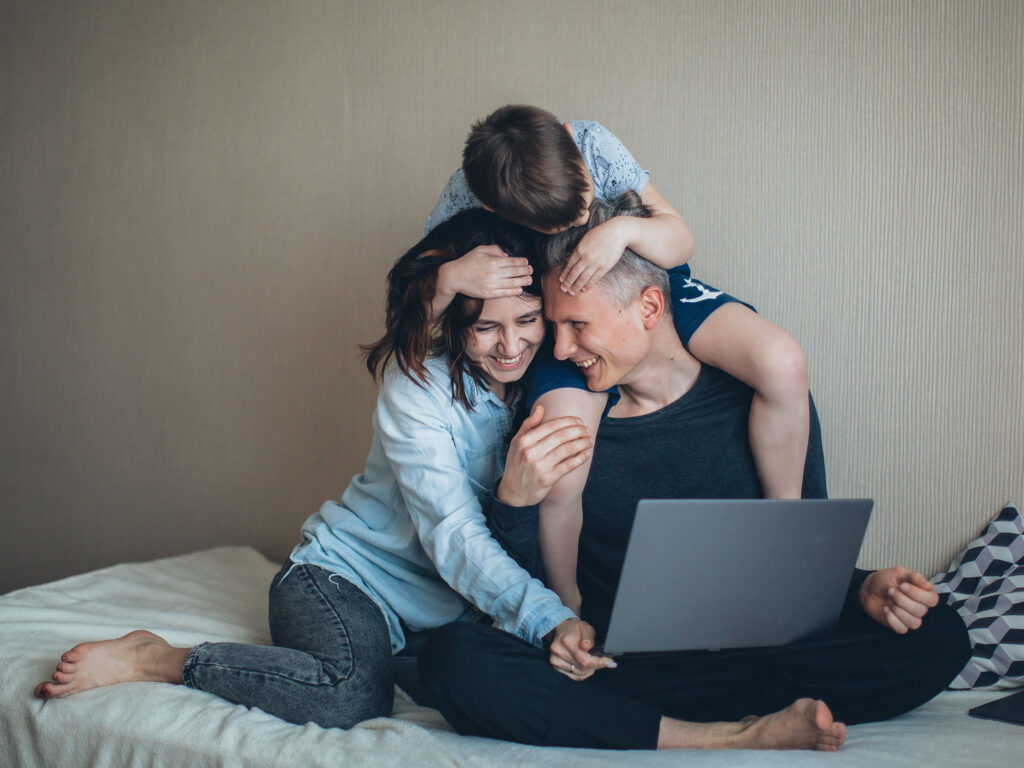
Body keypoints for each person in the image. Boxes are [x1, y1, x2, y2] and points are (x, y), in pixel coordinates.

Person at [417, 194, 972, 752]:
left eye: (579, 326)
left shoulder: (759, 401)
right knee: (453, 661)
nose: (560, 348)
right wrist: (514, 504)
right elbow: (525, 593)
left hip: (757, 652)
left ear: (650, 309)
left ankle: (641, 723)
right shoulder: (560, 419)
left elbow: (790, 562)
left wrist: (860, 591)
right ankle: (734, 734)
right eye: (556, 326)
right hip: (622, 662)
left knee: (940, 634)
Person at [31, 210, 592, 728]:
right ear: (456, 325)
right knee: (350, 694)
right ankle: (159, 657)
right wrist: (546, 616)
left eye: (526, 319)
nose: (511, 344)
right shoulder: (416, 386)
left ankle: (390, 661)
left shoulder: (547, 384)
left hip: (438, 620)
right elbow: (453, 534)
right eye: (486, 328)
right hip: (341, 581)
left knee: (496, 684)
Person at [427, 104, 810, 614]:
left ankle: (787, 529)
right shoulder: (463, 199)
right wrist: (450, 276)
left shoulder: (594, 141)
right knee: (563, 467)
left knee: (781, 361)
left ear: (570, 143)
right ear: (495, 208)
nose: (580, 222)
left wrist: (622, 231)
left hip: (646, 282)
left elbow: (679, 238)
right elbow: (419, 308)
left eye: (582, 204)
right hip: (562, 311)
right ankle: (566, 607)